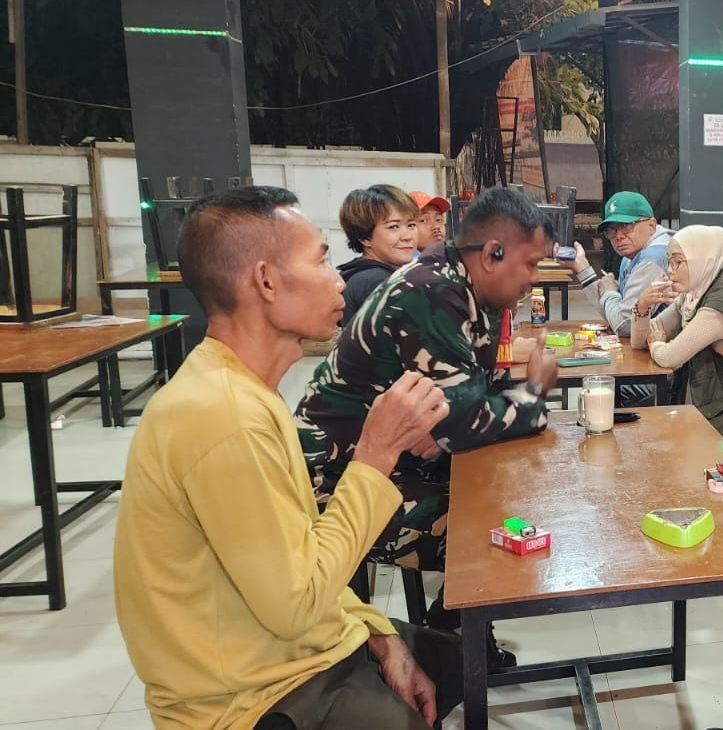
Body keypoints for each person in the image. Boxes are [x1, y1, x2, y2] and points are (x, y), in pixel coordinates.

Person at [114, 186, 462, 729]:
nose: (339, 280)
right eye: (320, 260)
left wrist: (376, 631)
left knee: (459, 663)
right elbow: (296, 604)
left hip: (296, 647)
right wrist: (375, 453)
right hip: (248, 697)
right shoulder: (222, 414)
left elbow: (298, 553)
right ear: (266, 281)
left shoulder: (246, 388)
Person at [295, 187, 558, 654]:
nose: (534, 279)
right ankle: (448, 648)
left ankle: (450, 637)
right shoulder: (433, 291)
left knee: (517, 494)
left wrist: (463, 420)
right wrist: (533, 393)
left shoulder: (473, 291)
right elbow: (467, 422)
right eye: (531, 264)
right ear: (492, 255)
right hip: (337, 482)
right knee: (498, 533)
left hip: (393, 464)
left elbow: (473, 403)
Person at [630, 224, 723, 455]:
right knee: (635, 428)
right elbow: (640, 341)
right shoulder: (694, 294)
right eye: (669, 261)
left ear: (703, 260)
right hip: (713, 406)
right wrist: (641, 306)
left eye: (678, 262)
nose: (670, 270)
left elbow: (669, 357)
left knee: (650, 444)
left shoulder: (719, 306)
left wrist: (657, 343)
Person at [559, 190, 673, 338]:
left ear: (651, 226)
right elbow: (615, 315)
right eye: (611, 230)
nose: (618, 236)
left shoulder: (653, 258)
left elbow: (625, 326)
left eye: (626, 226)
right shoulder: (632, 254)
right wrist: (581, 267)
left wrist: (609, 293)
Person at [336, 184, 420, 324]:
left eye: (411, 225)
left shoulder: (368, 275)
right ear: (364, 237)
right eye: (393, 227)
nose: (407, 236)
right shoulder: (375, 281)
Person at [409, 190, 451, 255]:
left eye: (438, 219)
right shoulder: (407, 260)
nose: (436, 226)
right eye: (423, 220)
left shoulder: (451, 256)